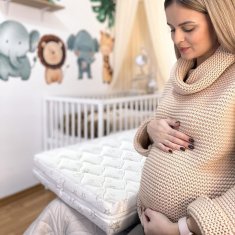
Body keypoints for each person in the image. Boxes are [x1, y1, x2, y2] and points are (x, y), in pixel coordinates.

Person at [133, 0, 235, 234]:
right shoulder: (179, 73)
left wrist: (179, 228)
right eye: (172, 28)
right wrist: (150, 129)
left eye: (188, 28)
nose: (177, 39)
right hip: (148, 220)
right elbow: (163, 124)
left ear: (219, 21)